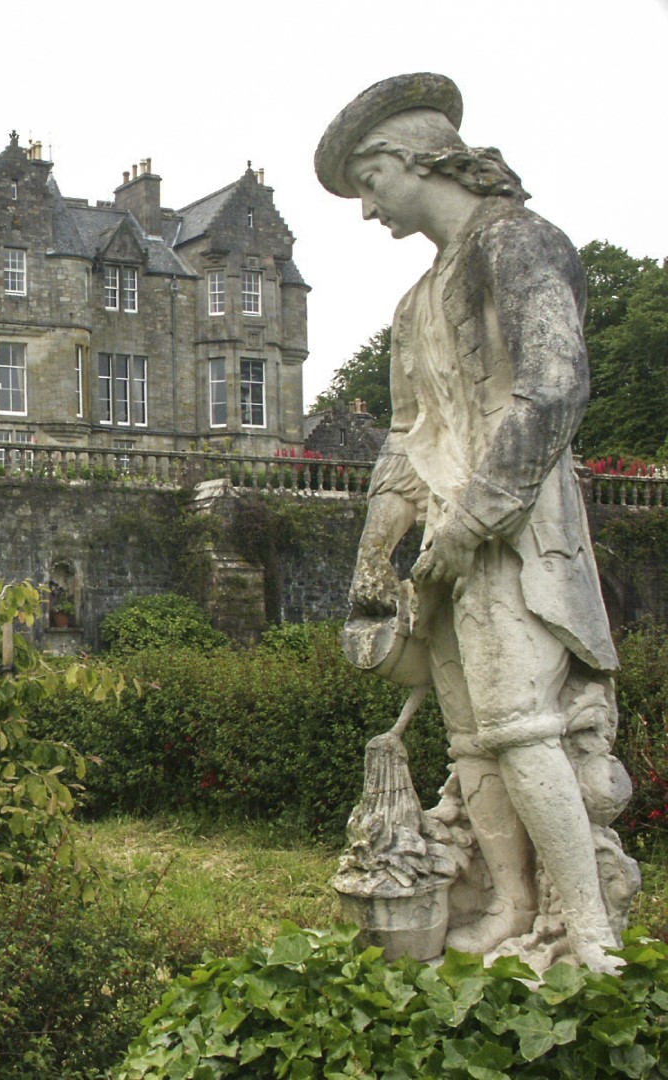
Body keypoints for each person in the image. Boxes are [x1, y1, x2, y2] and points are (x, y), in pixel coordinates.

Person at [316, 73, 637, 972]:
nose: (368, 208)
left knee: (524, 726)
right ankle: (511, 905)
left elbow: (553, 390)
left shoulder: (523, 246)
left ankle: (588, 927)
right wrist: (377, 558)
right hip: (444, 546)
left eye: (368, 185)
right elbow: (404, 435)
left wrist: (474, 520)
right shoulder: (416, 302)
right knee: (471, 739)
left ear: (410, 160)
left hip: (515, 538)